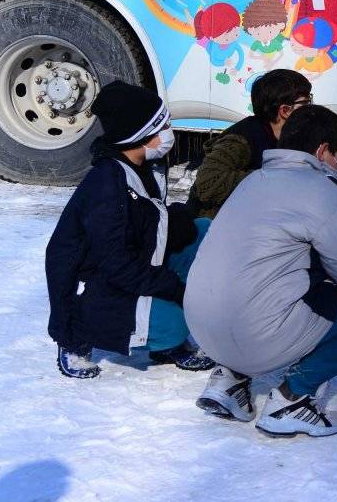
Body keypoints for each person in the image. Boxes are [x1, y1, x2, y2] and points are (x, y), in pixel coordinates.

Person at [184, 105, 337, 437]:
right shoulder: (322, 191)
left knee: (265, 276)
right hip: (255, 337)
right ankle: (293, 399)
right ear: (322, 150)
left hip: (202, 329)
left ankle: (229, 382)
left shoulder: (252, 180)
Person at [45, 81, 214, 379]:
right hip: (104, 285)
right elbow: (114, 265)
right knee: (177, 324)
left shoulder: (144, 166)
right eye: (164, 125)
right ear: (142, 134)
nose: (168, 133)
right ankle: (80, 335)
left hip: (137, 266)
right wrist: (174, 289)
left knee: (202, 231)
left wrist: (182, 221)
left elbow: (147, 224)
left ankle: (162, 330)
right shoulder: (107, 185)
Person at [186, 68, 311, 219]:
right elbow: (207, 185)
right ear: (285, 110)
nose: (310, 108)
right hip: (214, 228)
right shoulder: (240, 139)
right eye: (306, 102)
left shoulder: (287, 135)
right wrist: (273, 177)